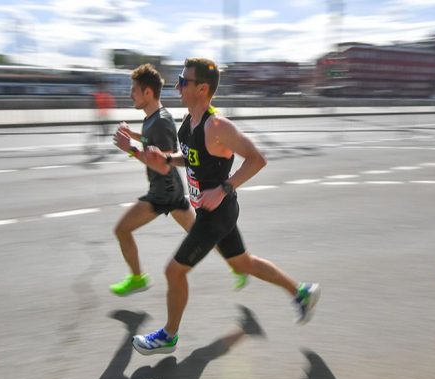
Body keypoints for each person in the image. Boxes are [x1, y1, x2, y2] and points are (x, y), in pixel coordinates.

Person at [120, 58, 320, 356]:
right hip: (209, 210)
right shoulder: (189, 122)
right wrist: (162, 158)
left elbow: (257, 159)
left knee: (174, 271)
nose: (177, 86)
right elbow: (189, 158)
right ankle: (301, 292)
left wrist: (225, 187)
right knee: (244, 264)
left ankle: (169, 336)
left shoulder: (218, 126)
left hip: (218, 213)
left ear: (202, 88)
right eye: (178, 79)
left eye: (183, 81)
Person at [110, 63, 248, 296]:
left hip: (164, 191)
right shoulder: (153, 118)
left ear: (147, 92)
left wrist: (131, 149)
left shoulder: (161, 121)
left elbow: (163, 162)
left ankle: (137, 278)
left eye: (134, 89)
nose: (129, 94)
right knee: (203, 236)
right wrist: (133, 136)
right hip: (172, 190)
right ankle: (238, 266)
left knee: (122, 230)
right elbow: (151, 141)